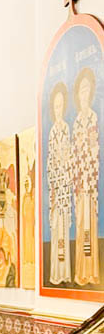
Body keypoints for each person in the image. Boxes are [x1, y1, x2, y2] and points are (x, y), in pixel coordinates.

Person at [72, 67, 99, 286]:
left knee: (90, 225)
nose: (84, 93)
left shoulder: (93, 117)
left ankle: (91, 272)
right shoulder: (76, 122)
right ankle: (81, 271)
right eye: (81, 89)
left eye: (87, 89)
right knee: (81, 227)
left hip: (90, 181)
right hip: (79, 183)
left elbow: (94, 147)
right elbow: (73, 153)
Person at [47, 81, 72, 284]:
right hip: (56, 189)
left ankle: (65, 272)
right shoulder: (53, 132)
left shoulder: (66, 129)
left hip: (65, 188)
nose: (58, 110)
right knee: (56, 230)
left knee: (64, 228)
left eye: (61, 106)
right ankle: (56, 272)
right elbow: (51, 161)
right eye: (55, 106)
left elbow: (68, 157)